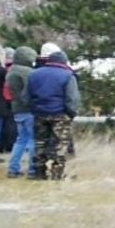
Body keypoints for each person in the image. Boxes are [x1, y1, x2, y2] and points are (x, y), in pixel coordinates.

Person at [28, 48, 80, 180]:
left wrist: (34, 109)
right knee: (60, 145)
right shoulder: (68, 75)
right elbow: (72, 98)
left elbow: (26, 96)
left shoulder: (34, 74)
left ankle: (39, 172)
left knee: (40, 143)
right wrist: (71, 113)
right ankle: (57, 174)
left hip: (39, 113)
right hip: (60, 114)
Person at [6, 46, 37, 179]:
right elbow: (31, 90)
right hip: (28, 109)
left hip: (17, 109)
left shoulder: (11, 70)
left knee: (21, 140)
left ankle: (13, 168)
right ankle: (32, 169)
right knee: (33, 140)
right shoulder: (27, 72)